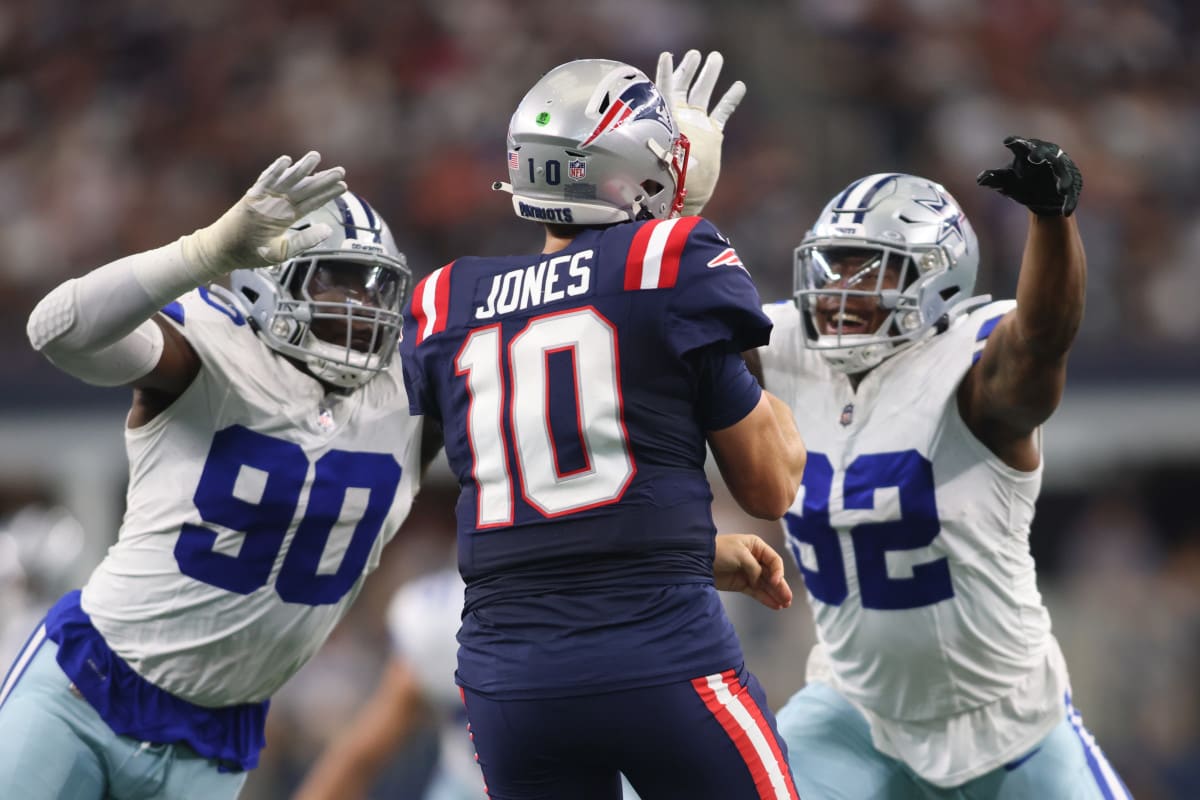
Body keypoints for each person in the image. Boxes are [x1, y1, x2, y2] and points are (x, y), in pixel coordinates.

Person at [398, 52, 806, 799]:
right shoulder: (673, 258)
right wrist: (685, 216)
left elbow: (540, 490)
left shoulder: (445, 298)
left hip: (506, 681)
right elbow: (772, 484)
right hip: (657, 651)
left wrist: (689, 545)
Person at [1, 152, 439, 799]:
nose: (362, 307)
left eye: (375, 287)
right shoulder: (217, 349)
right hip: (85, 687)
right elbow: (57, 330)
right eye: (339, 281)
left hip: (216, 735)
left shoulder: (408, 398)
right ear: (271, 282)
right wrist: (205, 250)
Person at [746, 137, 1132, 798]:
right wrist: (669, 212)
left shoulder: (969, 367)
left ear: (937, 280)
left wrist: (1052, 220)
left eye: (871, 269)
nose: (841, 290)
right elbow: (665, 328)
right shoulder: (786, 348)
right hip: (852, 712)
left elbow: (1042, 340)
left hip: (1009, 724)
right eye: (834, 266)